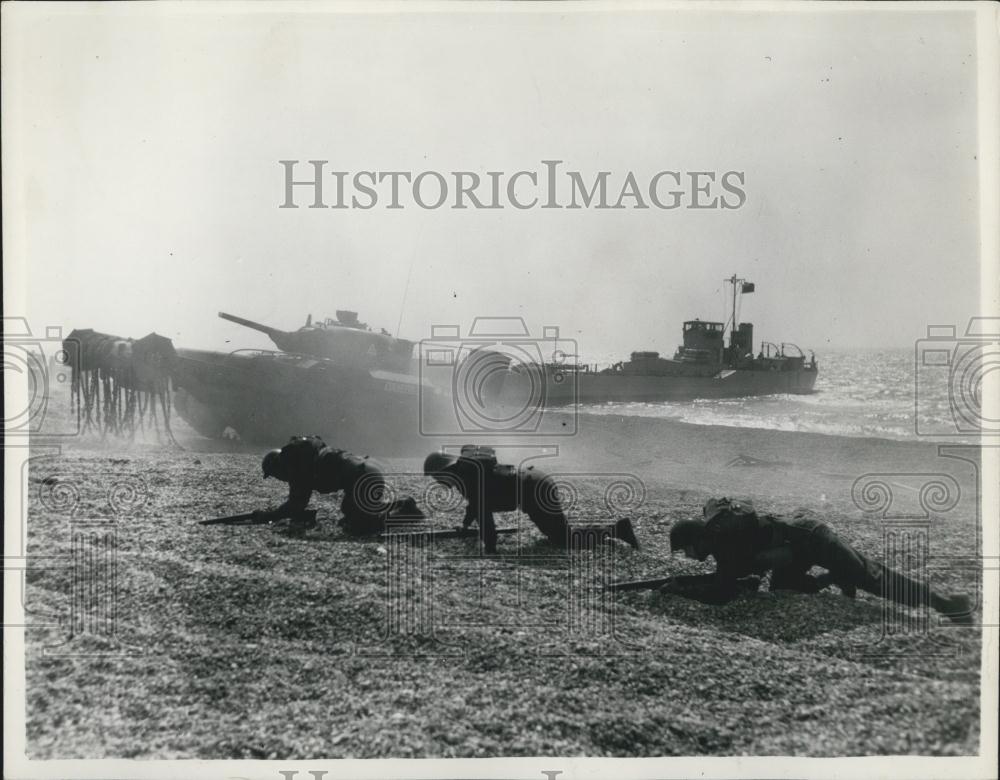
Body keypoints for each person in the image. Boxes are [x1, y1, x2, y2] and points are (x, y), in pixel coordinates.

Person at [666, 497, 972, 622]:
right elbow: (729, 580)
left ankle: (945, 602)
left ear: (699, 540)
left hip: (811, 536)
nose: (689, 557)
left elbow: (721, 591)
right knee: (785, 593)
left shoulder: (726, 543)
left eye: (686, 550)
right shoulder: (723, 541)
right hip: (794, 551)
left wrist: (682, 590)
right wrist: (687, 585)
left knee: (872, 577)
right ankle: (835, 577)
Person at [423, 445, 640, 554]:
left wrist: (490, 551)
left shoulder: (468, 477)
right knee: (556, 537)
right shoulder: (466, 474)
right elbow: (475, 506)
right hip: (532, 482)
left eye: (435, 477)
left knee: (563, 539)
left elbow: (484, 516)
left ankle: (617, 530)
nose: (436, 481)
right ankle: (613, 530)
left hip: (535, 490)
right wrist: (464, 526)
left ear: (445, 471)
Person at [255, 435, 402, 535]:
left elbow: (296, 503)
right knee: (348, 511)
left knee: (360, 528)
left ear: (278, 467)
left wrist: (268, 516)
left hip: (363, 479)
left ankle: (404, 513)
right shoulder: (304, 454)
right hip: (367, 473)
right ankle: (398, 505)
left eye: (275, 475)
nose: (281, 479)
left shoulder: (295, 464)